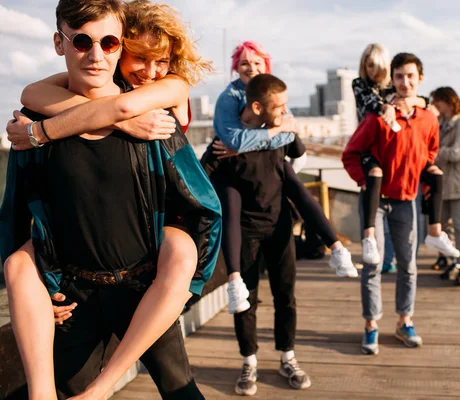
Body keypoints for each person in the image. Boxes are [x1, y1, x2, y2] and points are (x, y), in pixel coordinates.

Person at [1, 1, 221, 398]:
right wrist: (36, 287)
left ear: (120, 46)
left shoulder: (154, 120)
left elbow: (201, 206)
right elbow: (15, 215)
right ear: (59, 43)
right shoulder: (33, 121)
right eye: (82, 41)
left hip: (142, 285)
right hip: (75, 293)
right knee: (65, 387)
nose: (96, 54)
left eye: (109, 42)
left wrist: (186, 278)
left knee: (182, 392)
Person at [211, 41, 357, 315]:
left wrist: (246, 143)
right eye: (244, 63)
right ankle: (234, 281)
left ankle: (336, 248)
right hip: (236, 170)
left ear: (266, 66)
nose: (250, 68)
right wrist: (260, 137)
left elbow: (288, 134)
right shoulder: (229, 98)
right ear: (235, 68)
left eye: (257, 63)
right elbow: (232, 139)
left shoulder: (273, 92)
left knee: (298, 189)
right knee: (230, 210)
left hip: (267, 162)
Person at [203, 74, 312, 396]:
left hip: (279, 227)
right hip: (245, 232)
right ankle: (249, 360)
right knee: (246, 300)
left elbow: (299, 149)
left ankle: (287, 357)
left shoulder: (276, 135)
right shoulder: (226, 141)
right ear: (255, 105)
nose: (285, 110)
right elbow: (200, 176)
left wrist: (288, 126)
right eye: (279, 105)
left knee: (286, 296)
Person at [343, 52, 439, 355]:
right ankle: (371, 325)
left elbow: (431, 152)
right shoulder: (378, 116)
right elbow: (350, 153)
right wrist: (364, 180)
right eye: (399, 76)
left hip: (406, 200)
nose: (405, 82)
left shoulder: (428, 117)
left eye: (411, 76)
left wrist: (422, 178)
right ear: (392, 79)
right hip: (376, 201)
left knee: (408, 265)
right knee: (372, 263)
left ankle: (404, 321)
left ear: (420, 79)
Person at [352, 44, 459, 271]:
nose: (375, 71)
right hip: (371, 148)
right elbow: (373, 106)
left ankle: (435, 233)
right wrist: (388, 106)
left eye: (379, 67)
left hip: (400, 158)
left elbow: (424, 103)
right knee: (375, 178)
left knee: (435, 175)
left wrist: (412, 102)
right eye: (370, 66)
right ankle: (369, 239)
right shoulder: (362, 85)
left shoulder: (394, 88)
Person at [430, 87, 460, 286]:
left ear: (448, 101)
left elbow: (457, 152)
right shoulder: (441, 123)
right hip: (441, 183)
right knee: (443, 226)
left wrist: (436, 153)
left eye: (438, 100)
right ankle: (452, 261)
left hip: (456, 182)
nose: (435, 104)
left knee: (459, 225)